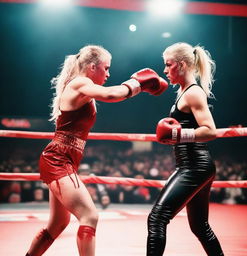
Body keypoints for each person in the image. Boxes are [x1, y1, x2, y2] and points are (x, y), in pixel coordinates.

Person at [25, 44, 168, 256]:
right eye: (106, 68)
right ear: (92, 67)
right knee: (89, 216)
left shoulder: (82, 87)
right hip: (58, 160)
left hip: (64, 159)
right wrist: (137, 83)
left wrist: (138, 87)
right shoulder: (80, 83)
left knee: (56, 225)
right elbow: (111, 95)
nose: (109, 73)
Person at [146, 42, 224, 255]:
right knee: (200, 226)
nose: (164, 70)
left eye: (168, 65)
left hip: (195, 167)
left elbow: (210, 131)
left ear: (180, 65)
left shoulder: (193, 93)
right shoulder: (182, 92)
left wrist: (179, 134)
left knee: (156, 219)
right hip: (194, 166)